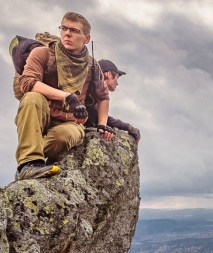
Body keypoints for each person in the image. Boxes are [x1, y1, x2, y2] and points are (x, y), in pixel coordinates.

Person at [14, 12, 110, 181]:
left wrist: (102, 124)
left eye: (74, 30)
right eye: (64, 28)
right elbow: (28, 82)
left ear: (86, 39)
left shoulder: (92, 66)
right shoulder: (42, 54)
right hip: (40, 115)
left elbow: (103, 96)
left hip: (70, 121)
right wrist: (67, 96)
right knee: (31, 97)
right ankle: (29, 164)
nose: (67, 33)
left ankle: (30, 152)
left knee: (63, 137)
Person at [85, 59, 141, 144]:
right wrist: (127, 127)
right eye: (117, 78)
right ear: (109, 74)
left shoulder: (96, 92)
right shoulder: (90, 87)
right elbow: (96, 114)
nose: (117, 83)